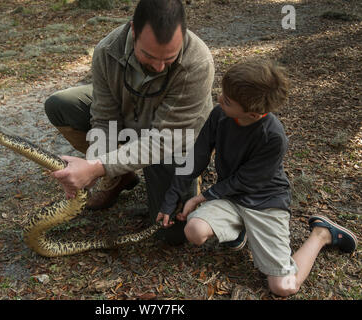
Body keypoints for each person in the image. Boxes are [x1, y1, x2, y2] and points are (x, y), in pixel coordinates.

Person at [156, 59, 358, 296]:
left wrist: (201, 197)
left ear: (253, 113)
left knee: (283, 287)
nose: (219, 99)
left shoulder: (273, 137)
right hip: (230, 198)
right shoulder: (220, 115)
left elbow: (245, 180)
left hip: (264, 202)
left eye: (228, 100)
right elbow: (197, 157)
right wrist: (172, 198)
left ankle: (321, 234)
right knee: (195, 231)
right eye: (223, 93)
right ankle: (239, 231)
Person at [44, 0, 215, 244]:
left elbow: (165, 140)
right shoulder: (107, 50)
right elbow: (104, 119)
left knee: (172, 235)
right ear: (133, 30)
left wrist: (96, 167)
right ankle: (120, 175)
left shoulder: (197, 61)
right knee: (61, 105)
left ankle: (188, 174)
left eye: (168, 59)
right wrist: (95, 164)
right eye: (148, 55)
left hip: (174, 143)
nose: (158, 66)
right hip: (132, 124)